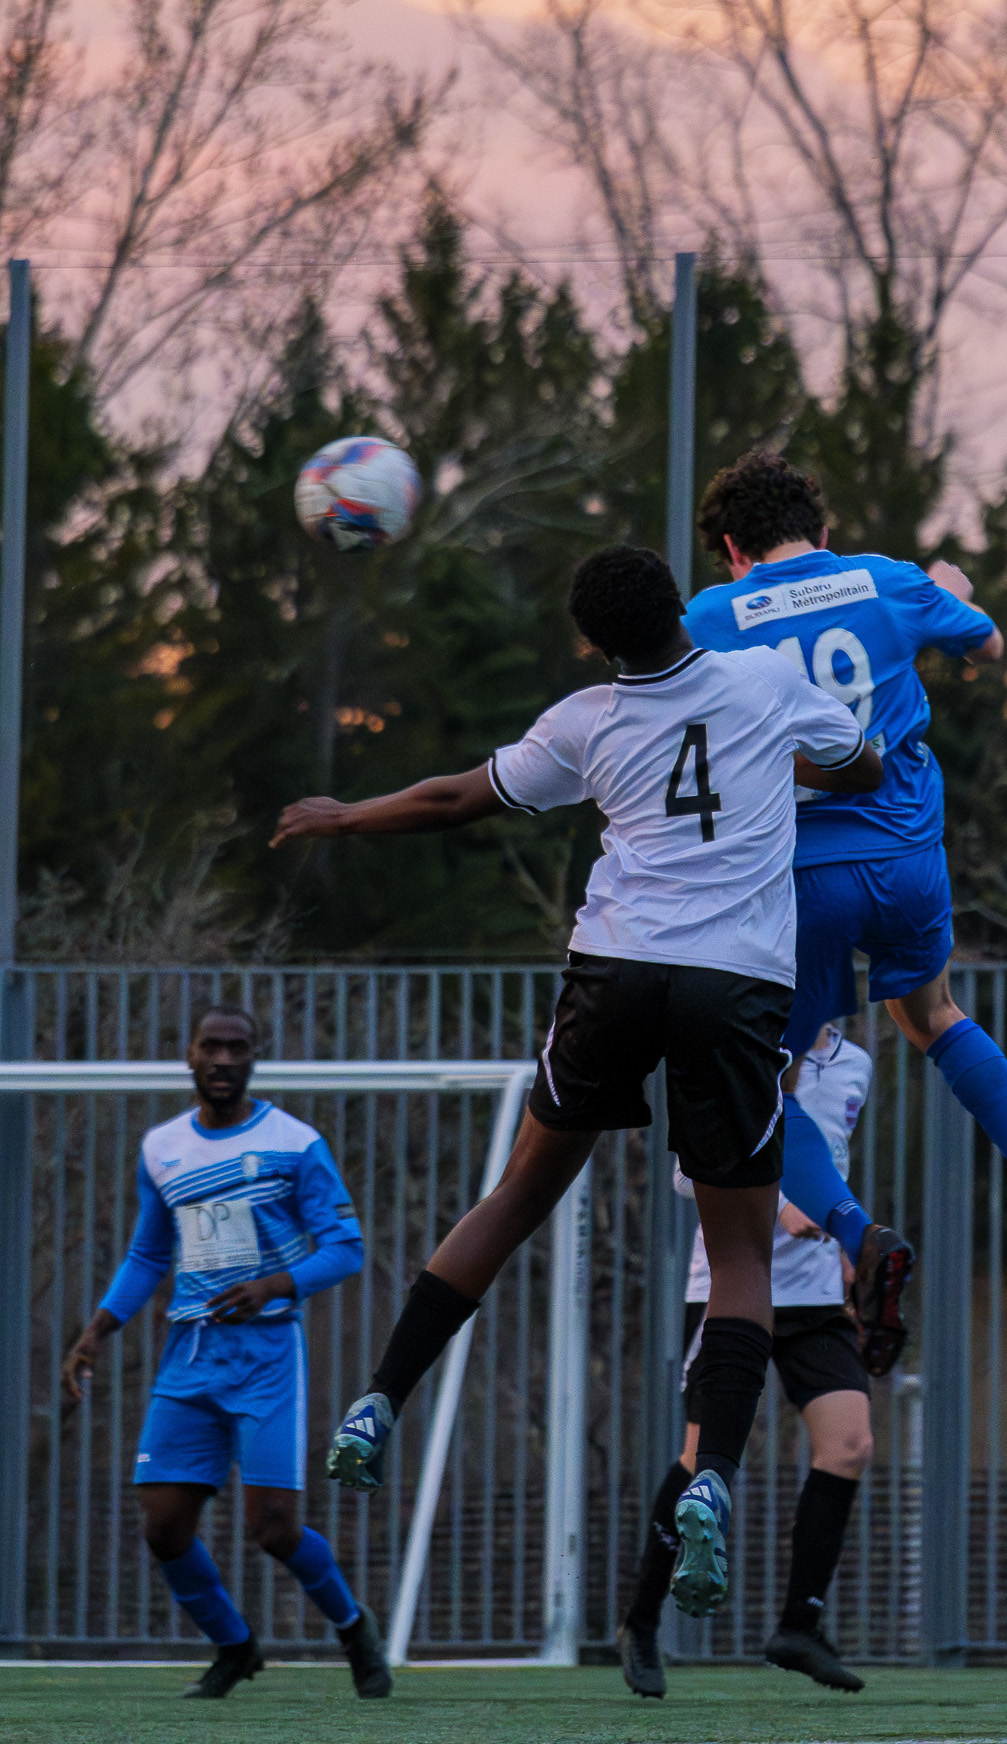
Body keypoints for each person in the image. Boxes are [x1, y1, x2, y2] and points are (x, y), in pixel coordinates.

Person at [271, 545, 883, 1620]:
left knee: (514, 1198)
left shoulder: (585, 719)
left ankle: (377, 1400)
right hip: (732, 986)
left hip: (615, 970)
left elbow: (456, 796)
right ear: (683, 609)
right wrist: (802, 768)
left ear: (600, 642)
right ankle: (711, 1483)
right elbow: (864, 766)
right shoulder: (764, 682)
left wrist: (344, 817)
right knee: (739, 1258)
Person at [683, 450, 1007, 1370]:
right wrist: (943, 587)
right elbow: (990, 643)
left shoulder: (712, 615)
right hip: (908, 856)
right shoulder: (885, 580)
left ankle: (855, 1233)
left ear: (731, 546)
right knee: (931, 1017)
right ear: (824, 530)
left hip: (799, 878)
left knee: (763, 1080)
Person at [59, 1006, 390, 1700]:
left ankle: (354, 1628)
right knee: (163, 1527)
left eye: (238, 1048)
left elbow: (346, 1250)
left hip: (267, 1356)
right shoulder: (163, 1149)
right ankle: (235, 1647)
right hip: (190, 1356)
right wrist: (97, 1329)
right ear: (189, 1054)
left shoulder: (295, 1144)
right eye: (211, 1046)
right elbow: (150, 1252)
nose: (223, 1059)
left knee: (273, 1529)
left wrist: (272, 1284)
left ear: (254, 1057)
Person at [618, 1021, 876, 1699]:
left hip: (818, 1297)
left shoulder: (857, 1064)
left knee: (849, 1445)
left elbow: (836, 1162)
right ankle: (641, 1623)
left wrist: (853, 1249)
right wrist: (786, 1206)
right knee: (700, 1459)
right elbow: (685, 1175)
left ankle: (798, 1627)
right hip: (733, 1289)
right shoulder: (747, 1043)